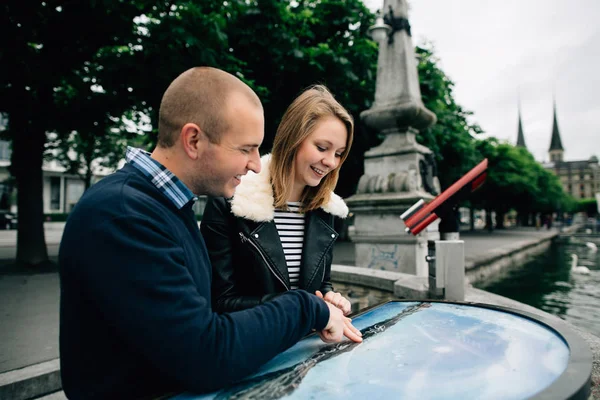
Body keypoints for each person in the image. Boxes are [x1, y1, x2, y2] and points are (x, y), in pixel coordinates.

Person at [58, 68, 361, 400]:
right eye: (245, 149)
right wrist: (306, 308)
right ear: (193, 140)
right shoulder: (122, 214)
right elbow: (205, 353)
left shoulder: (169, 208)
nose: (256, 165)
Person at [201, 85, 354, 318]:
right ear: (293, 139)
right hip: (254, 346)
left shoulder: (326, 210)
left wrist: (331, 298)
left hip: (308, 344)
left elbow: (320, 286)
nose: (331, 162)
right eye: (322, 148)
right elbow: (220, 301)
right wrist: (302, 306)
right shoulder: (231, 201)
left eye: (339, 153)